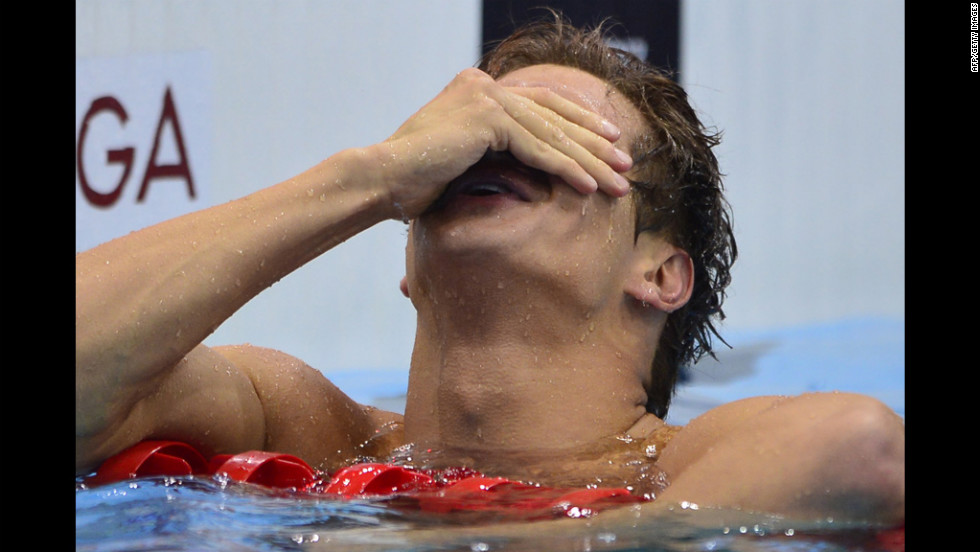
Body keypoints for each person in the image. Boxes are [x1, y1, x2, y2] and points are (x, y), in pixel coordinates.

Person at [75, 14, 904, 524]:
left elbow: (861, 449)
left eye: (561, 138)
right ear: (408, 259)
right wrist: (372, 176)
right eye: (476, 134)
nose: (498, 145)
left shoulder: (682, 468)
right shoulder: (304, 431)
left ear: (661, 275)